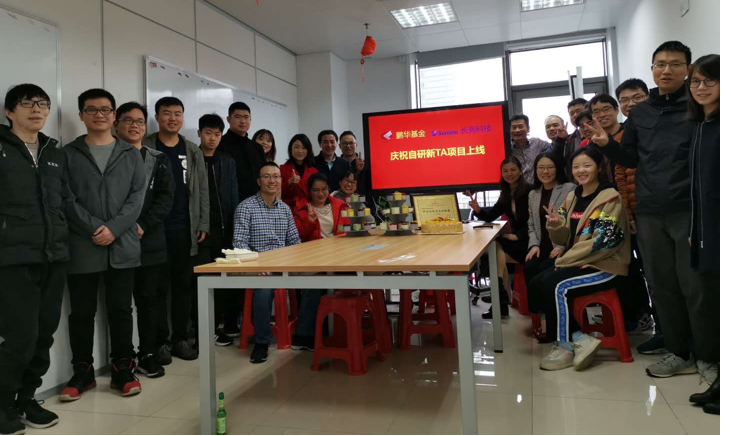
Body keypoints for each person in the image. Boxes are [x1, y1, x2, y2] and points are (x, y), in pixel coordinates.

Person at [593, 41, 710, 380]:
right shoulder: (641, 114)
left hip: (689, 210)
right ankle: (679, 351)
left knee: (695, 286)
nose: (667, 70)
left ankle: (707, 354)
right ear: (652, 69)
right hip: (649, 211)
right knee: (661, 285)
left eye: (675, 64)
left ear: (688, 69)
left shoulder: (699, 106)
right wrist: (607, 145)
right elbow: (631, 159)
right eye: (660, 64)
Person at [60, 88, 146, 401]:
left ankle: (123, 368)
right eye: (92, 109)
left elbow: (137, 197)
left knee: (121, 310)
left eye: (105, 110)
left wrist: (114, 228)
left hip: (122, 245)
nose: (99, 115)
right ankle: (83, 372)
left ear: (114, 116)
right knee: (81, 313)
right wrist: (94, 227)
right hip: (83, 245)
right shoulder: (67, 154)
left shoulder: (130, 153)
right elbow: (65, 198)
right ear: (81, 115)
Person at [0, 84, 70, 433]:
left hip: (53, 255)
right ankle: (2, 404)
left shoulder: (53, 151)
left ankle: (26, 398)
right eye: (27, 104)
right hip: (13, 257)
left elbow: (63, 200)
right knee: (20, 337)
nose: (37, 110)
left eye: (42, 104)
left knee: (44, 334)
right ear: (9, 112)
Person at [529, 147, 630, 372]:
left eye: (587, 165)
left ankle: (566, 346)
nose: (581, 171)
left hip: (606, 264)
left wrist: (565, 260)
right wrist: (556, 225)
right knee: (537, 282)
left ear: (598, 168)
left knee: (556, 285)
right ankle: (579, 338)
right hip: (581, 261)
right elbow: (563, 238)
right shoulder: (573, 197)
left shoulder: (609, 198)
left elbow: (604, 241)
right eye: (576, 167)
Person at [143, 97, 209, 363]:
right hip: (154, 229)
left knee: (183, 288)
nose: (172, 118)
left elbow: (202, 189)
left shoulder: (192, 149)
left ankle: (180, 339)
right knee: (157, 289)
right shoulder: (146, 145)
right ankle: (160, 343)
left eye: (177, 114)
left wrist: (203, 223)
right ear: (157, 117)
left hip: (185, 228)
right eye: (166, 113)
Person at [114, 102, 174, 379]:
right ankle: (122, 359)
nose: (135, 126)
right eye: (128, 120)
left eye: (139, 121)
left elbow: (165, 198)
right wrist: (123, 227)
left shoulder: (157, 158)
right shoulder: (110, 156)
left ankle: (147, 353)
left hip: (150, 240)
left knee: (149, 301)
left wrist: (143, 224)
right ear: (116, 124)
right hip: (117, 241)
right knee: (120, 305)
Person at [233, 162, 301, 364]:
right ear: (258, 181)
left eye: (276, 176)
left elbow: (294, 242)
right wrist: (258, 267)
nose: (272, 180)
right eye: (267, 176)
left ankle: (305, 335)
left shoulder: (285, 209)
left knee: (315, 282)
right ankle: (262, 342)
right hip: (257, 267)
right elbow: (239, 244)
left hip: (283, 266)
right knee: (263, 289)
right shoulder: (246, 207)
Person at [687, 54, 721, 392]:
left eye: (710, 80)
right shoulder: (700, 126)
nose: (701, 87)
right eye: (696, 81)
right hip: (705, 233)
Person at [194, 114, 240, 348]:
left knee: (222, 280)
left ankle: (217, 326)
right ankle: (203, 330)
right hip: (200, 232)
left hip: (223, 231)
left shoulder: (226, 160)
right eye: (208, 133)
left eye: (217, 134)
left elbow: (233, 195)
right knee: (201, 281)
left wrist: (233, 228)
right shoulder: (192, 158)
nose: (212, 138)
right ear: (199, 133)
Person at [290, 173, 350, 351]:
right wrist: (309, 222)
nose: (321, 193)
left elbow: (346, 231)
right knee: (313, 285)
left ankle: (345, 330)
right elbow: (298, 237)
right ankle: (304, 336)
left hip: (339, 256)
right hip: (312, 258)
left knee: (351, 279)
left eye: (324, 189)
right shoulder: (301, 208)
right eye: (316, 190)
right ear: (309, 191)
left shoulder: (340, 205)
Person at [466, 157, 532, 320]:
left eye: (513, 170)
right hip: (518, 241)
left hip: (531, 241)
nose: (509, 174)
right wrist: (477, 209)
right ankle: (500, 298)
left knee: (495, 252)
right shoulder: (506, 194)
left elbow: (537, 221)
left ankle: (500, 301)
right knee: (495, 248)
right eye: (505, 171)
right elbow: (490, 216)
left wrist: (518, 235)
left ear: (520, 171)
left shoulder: (530, 191)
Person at [524, 153, 575, 285]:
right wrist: (534, 245)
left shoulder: (569, 189)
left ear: (557, 168)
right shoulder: (533, 194)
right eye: (541, 168)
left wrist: (562, 246)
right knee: (529, 267)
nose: (545, 171)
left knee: (541, 274)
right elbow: (531, 225)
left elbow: (573, 223)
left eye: (550, 167)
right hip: (540, 245)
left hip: (560, 246)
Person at [220, 102, 266, 201]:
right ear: (228, 119)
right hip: (230, 202)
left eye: (246, 117)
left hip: (257, 202)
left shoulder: (257, 148)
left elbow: (264, 175)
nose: (243, 121)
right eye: (238, 117)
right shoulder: (220, 144)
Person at [508, 115, 551, 184]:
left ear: (528, 129)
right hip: (518, 188)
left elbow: (553, 146)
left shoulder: (537, 142)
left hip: (538, 188)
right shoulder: (507, 148)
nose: (517, 130)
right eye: (514, 127)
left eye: (520, 126)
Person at [281, 134, 319, 207]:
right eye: (297, 147)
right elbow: (277, 193)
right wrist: (289, 182)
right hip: (290, 209)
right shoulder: (282, 169)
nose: (300, 151)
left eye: (304, 148)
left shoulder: (314, 171)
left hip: (310, 208)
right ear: (291, 148)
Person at [557, 98, 588, 180]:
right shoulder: (569, 139)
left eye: (578, 111)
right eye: (571, 114)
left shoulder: (597, 134)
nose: (575, 115)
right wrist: (560, 139)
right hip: (574, 183)